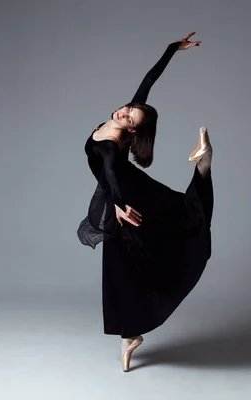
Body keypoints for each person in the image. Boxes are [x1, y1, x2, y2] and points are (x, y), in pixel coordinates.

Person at [77, 32, 214, 372]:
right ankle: (130, 336)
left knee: (155, 244)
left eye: (128, 119)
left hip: (129, 197)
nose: (123, 113)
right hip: (125, 194)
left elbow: (110, 175)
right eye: (127, 110)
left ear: (132, 132)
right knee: (124, 265)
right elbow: (148, 80)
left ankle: (204, 164)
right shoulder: (125, 115)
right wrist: (172, 49)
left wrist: (120, 206)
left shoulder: (111, 142)